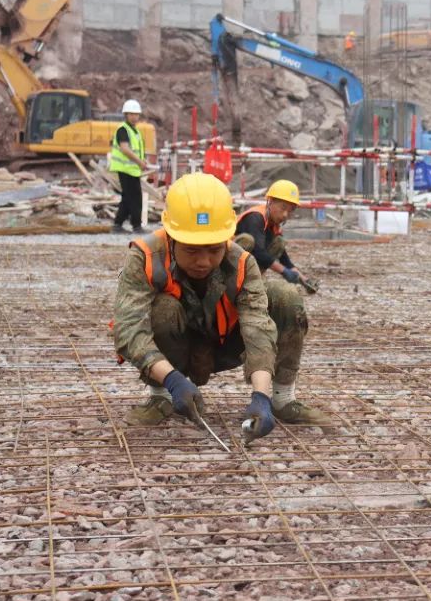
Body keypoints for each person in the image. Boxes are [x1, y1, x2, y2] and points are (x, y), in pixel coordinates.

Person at [112, 172, 323, 439]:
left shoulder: (241, 261)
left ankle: (282, 399)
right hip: (176, 347)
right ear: (173, 237)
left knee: (286, 297)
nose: (203, 261)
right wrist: (173, 380)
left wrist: (261, 395)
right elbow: (128, 328)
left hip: (225, 345)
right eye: (192, 250)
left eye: (213, 250)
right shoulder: (145, 256)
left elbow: (258, 327)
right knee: (163, 309)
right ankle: (161, 396)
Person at [235, 179, 313, 287]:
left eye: (290, 211)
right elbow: (258, 252)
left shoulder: (273, 225)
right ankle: (235, 281)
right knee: (247, 240)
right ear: (270, 202)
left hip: (246, 267)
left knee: (279, 242)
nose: (285, 214)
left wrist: (304, 280)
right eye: (283, 208)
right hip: (226, 264)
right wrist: (283, 271)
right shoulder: (255, 217)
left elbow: (284, 259)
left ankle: (250, 281)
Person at [110, 99, 148, 233]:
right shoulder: (123, 130)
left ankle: (117, 224)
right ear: (126, 115)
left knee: (128, 198)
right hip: (126, 169)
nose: (134, 117)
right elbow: (125, 149)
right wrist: (140, 162)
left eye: (136, 114)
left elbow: (136, 150)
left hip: (132, 170)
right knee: (135, 198)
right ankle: (136, 225)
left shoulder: (134, 131)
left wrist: (142, 161)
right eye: (131, 114)